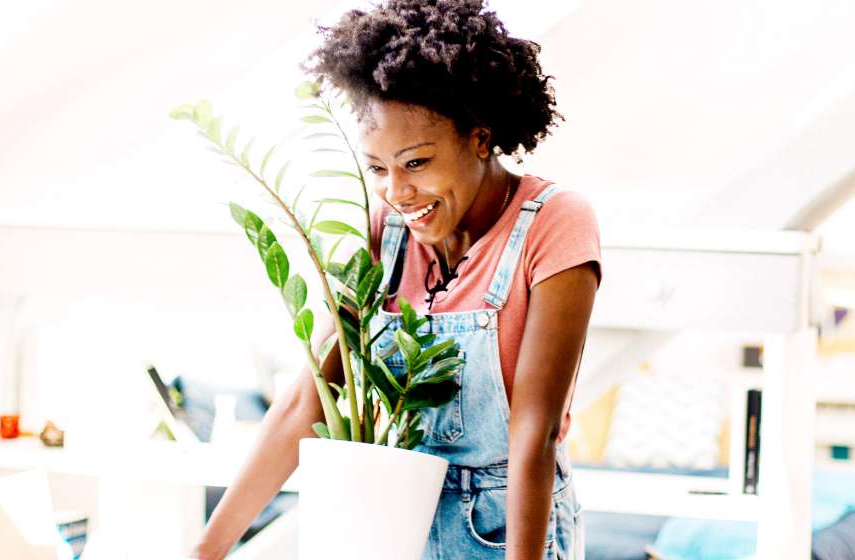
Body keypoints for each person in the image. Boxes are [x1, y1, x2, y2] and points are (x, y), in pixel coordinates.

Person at [191, 1, 600, 558]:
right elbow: (307, 401)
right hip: (396, 520)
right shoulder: (387, 231)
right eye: (378, 168)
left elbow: (535, 432)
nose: (396, 193)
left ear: (480, 138)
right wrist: (205, 550)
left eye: (415, 163)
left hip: (509, 530)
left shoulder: (555, 223)